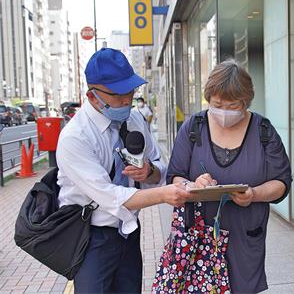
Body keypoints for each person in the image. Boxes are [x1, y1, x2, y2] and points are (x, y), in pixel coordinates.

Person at [56, 48, 192, 293]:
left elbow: (160, 166)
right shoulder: (75, 137)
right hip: (90, 236)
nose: (127, 100)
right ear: (92, 96)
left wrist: (149, 172)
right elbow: (109, 195)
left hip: (129, 231)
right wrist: (163, 195)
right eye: (118, 94)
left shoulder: (134, 119)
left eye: (130, 90)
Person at [167, 59, 292, 293]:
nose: (224, 112)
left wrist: (254, 194)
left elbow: (282, 182)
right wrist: (193, 185)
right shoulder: (194, 128)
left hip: (245, 236)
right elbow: (175, 176)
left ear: (246, 101)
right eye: (217, 104)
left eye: (233, 106)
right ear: (209, 99)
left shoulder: (263, 130)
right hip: (199, 238)